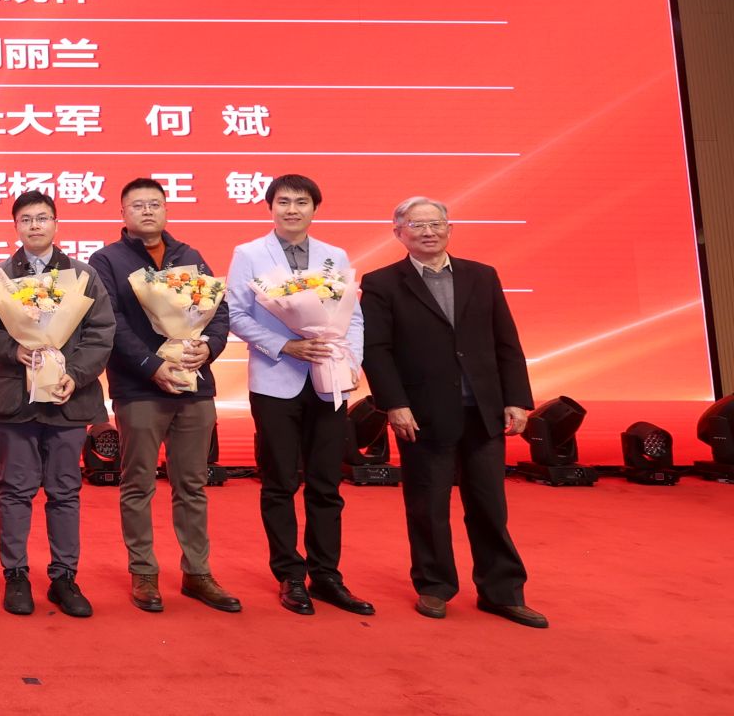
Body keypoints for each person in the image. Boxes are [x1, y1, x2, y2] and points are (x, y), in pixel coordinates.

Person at [361, 197, 546, 628]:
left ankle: (502, 592)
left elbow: (506, 341)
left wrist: (517, 399)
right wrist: (394, 405)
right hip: (422, 413)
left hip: (483, 409)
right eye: (416, 225)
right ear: (398, 233)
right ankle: (434, 585)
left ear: (449, 228)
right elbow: (377, 350)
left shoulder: (481, 275)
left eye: (435, 223)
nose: (428, 232)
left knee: (490, 506)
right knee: (428, 505)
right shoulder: (382, 283)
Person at [88, 179, 241, 614]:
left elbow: (219, 311)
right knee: (137, 482)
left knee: (192, 483)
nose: (147, 211)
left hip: (194, 385)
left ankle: (197, 572)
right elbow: (111, 322)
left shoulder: (189, 255)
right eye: (137, 205)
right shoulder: (107, 260)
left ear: (166, 210)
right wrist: (152, 366)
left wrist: (208, 348)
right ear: (122, 213)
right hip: (139, 388)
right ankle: (144, 572)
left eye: (155, 204)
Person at [226, 174, 374, 617]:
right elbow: (235, 313)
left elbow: (353, 316)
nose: (292, 209)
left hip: (329, 380)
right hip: (275, 380)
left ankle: (327, 575)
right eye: (284, 202)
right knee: (280, 482)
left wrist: (350, 362)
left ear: (315, 208)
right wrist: (284, 345)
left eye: (302, 202)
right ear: (270, 207)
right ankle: (290, 575)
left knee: (327, 482)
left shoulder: (334, 255)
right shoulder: (249, 253)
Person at [0, 190, 114, 618]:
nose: (35, 225)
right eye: (26, 219)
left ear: (56, 223)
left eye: (42, 218)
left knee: (65, 490)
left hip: (68, 398)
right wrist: (13, 349)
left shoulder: (83, 275)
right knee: (15, 489)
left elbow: (101, 332)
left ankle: (64, 576)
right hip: (16, 399)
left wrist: (76, 373)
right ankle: (15, 574)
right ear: (16, 226)